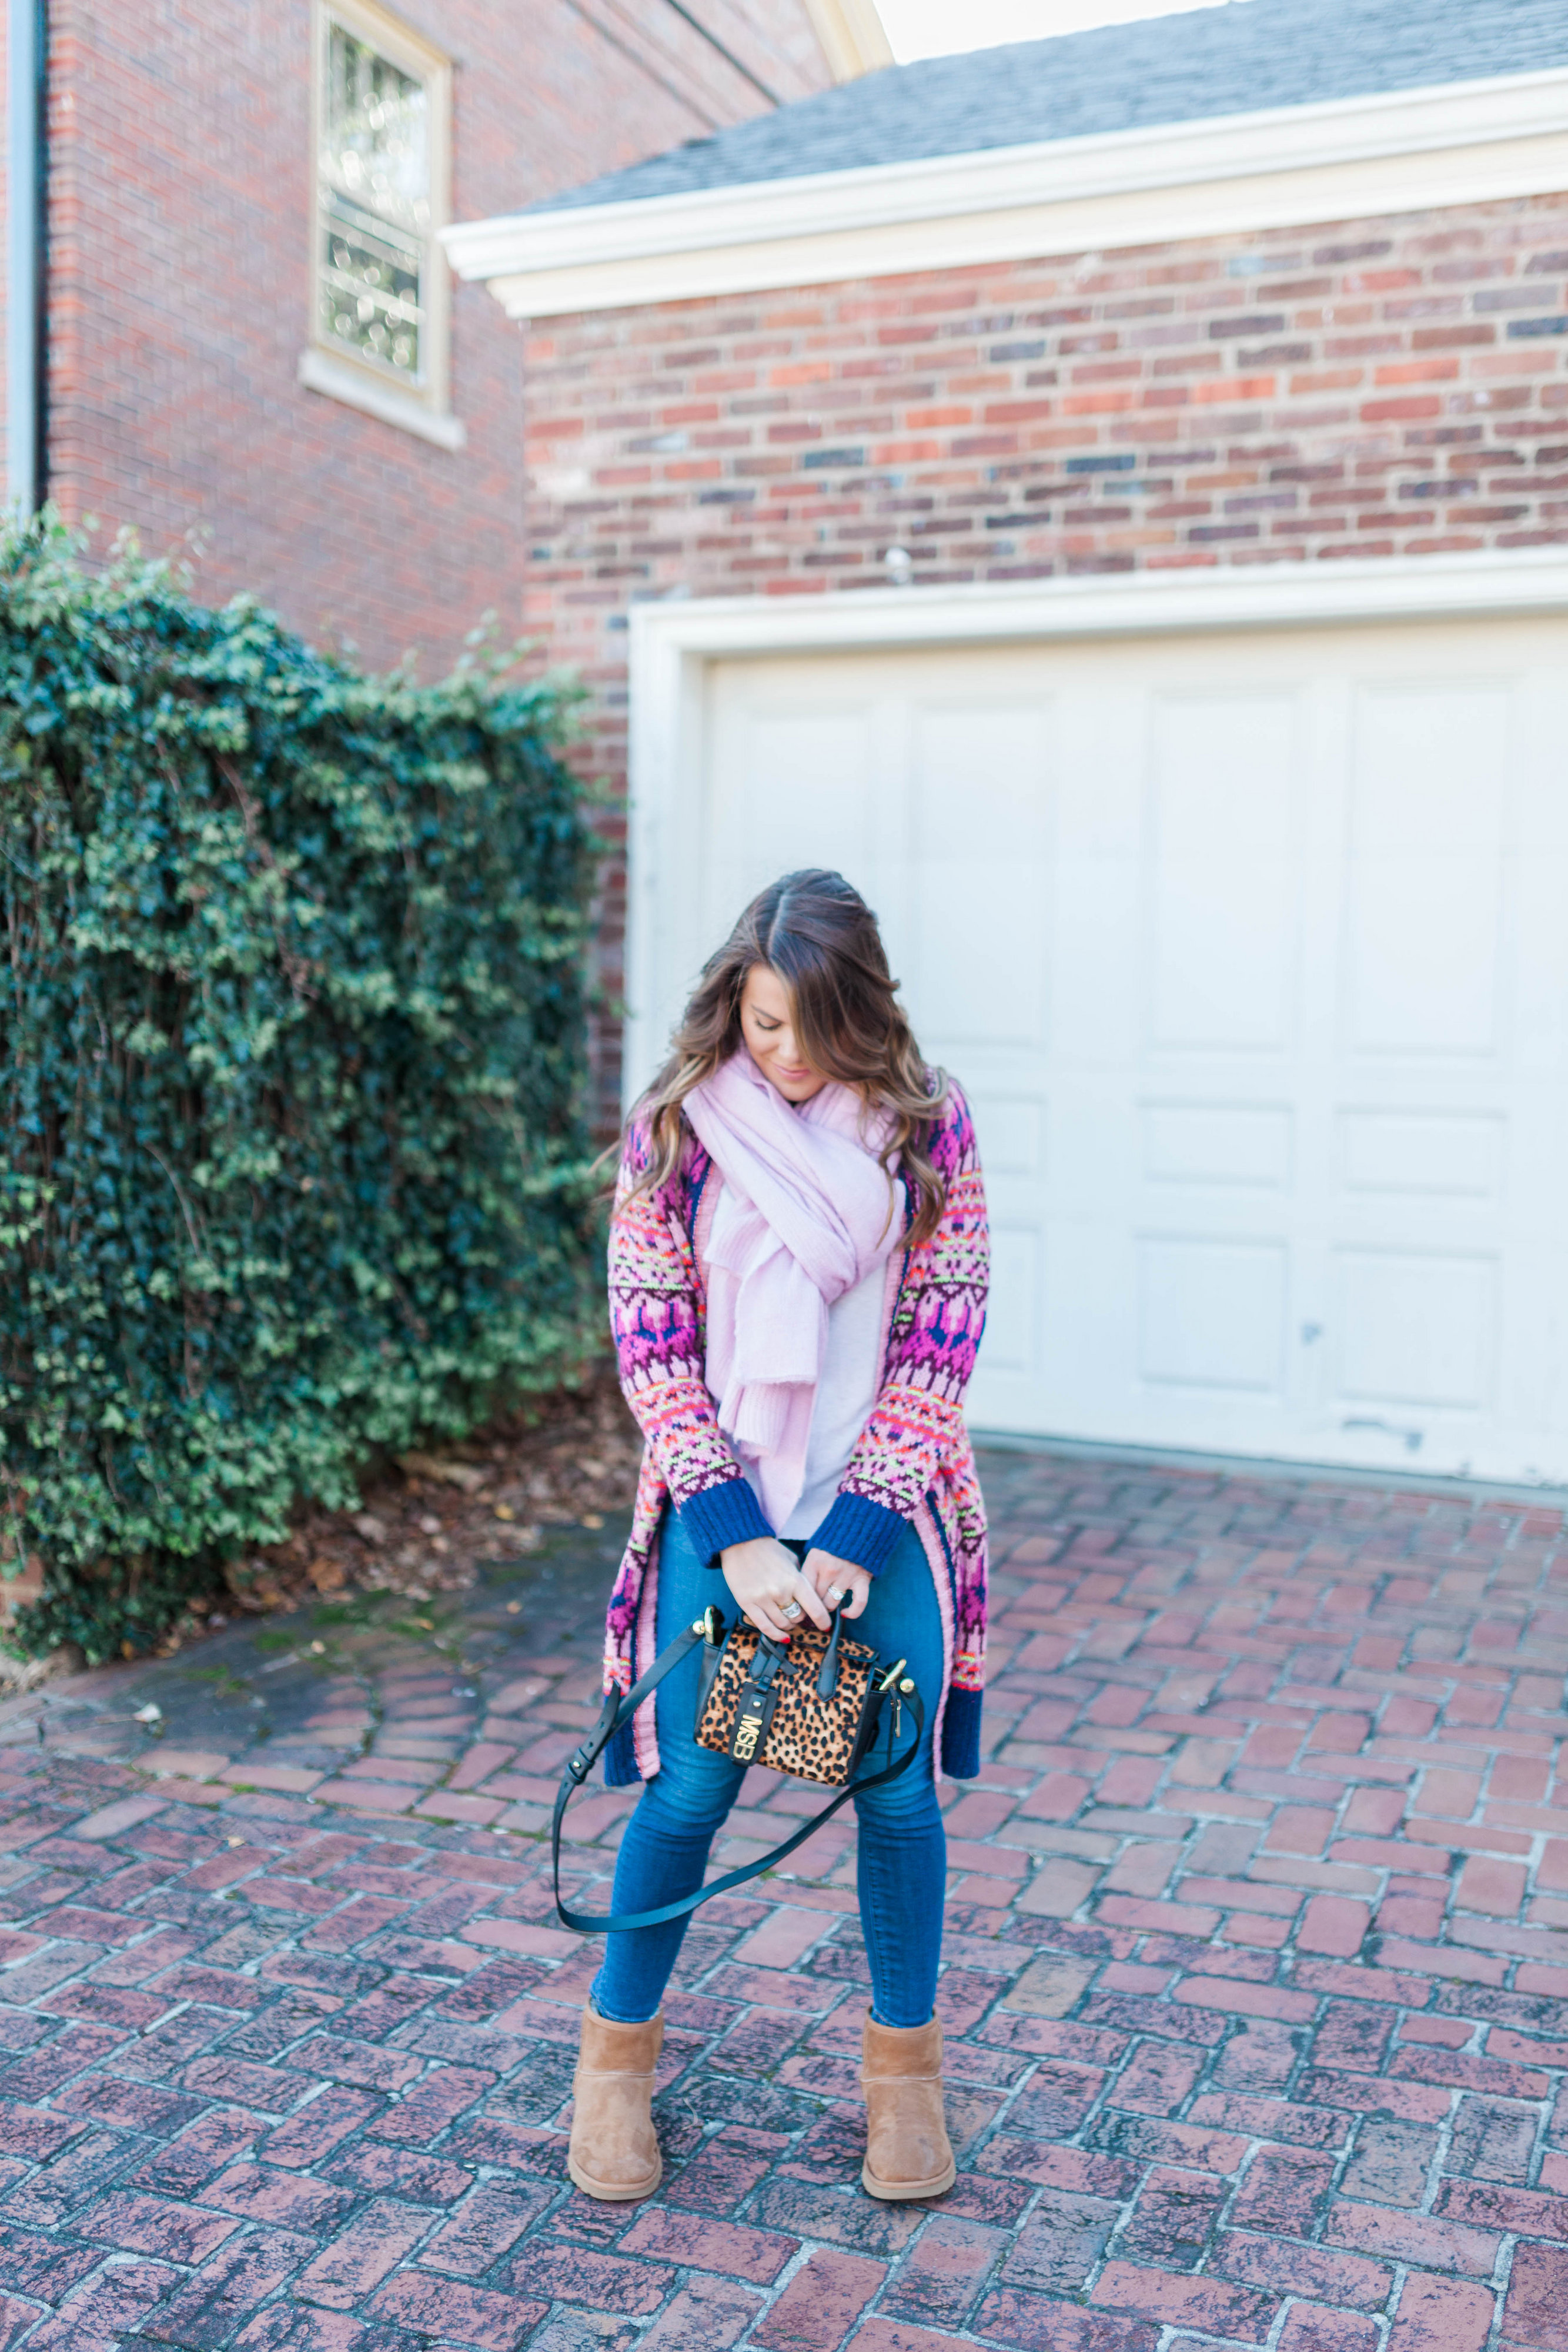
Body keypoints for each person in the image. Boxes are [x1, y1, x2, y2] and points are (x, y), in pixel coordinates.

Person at [567, 868, 990, 2206]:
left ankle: (903, 2090)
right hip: (722, 1511)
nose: (787, 1053)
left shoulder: (926, 1128)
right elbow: (650, 1342)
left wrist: (856, 1523)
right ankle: (612, 2071)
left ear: (860, 1007)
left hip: (886, 1507)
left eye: (813, 1024)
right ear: (729, 1007)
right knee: (691, 1790)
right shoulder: (675, 1132)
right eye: (761, 1024)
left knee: (897, 1792)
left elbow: (945, 1331)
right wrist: (743, 1538)